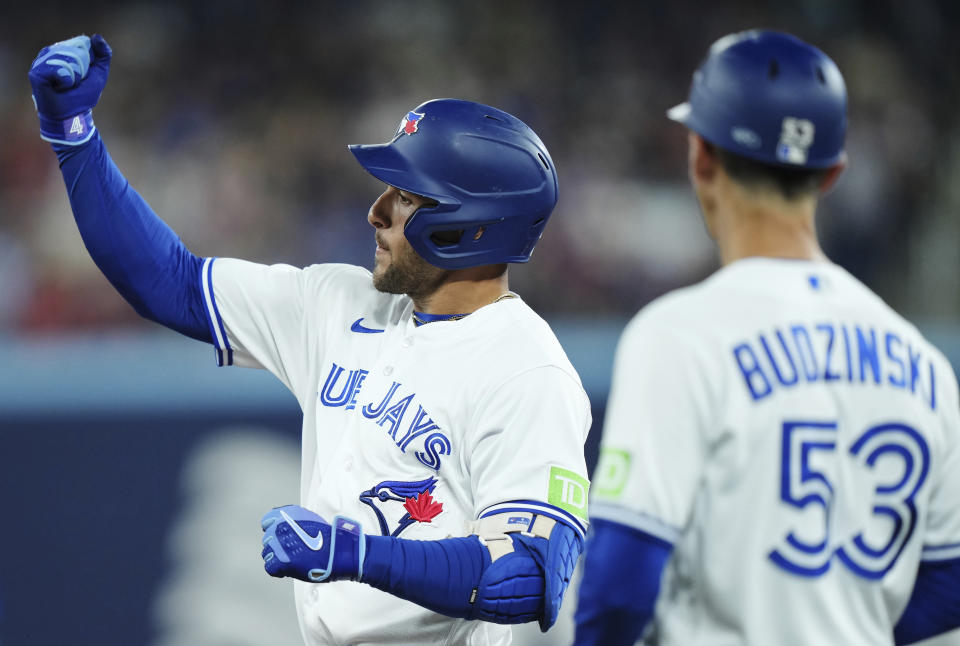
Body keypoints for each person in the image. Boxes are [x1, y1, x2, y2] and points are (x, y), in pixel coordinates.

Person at [29, 35, 592, 645]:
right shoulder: (337, 302)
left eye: (405, 196)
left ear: (468, 226)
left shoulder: (528, 372)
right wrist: (74, 137)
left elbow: (528, 579)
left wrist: (353, 555)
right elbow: (171, 284)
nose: (377, 212)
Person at [573, 29, 960, 646]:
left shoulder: (680, 334)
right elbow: (948, 585)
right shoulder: (923, 361)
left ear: (700, 156)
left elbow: (620, 584)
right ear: (832, 173)